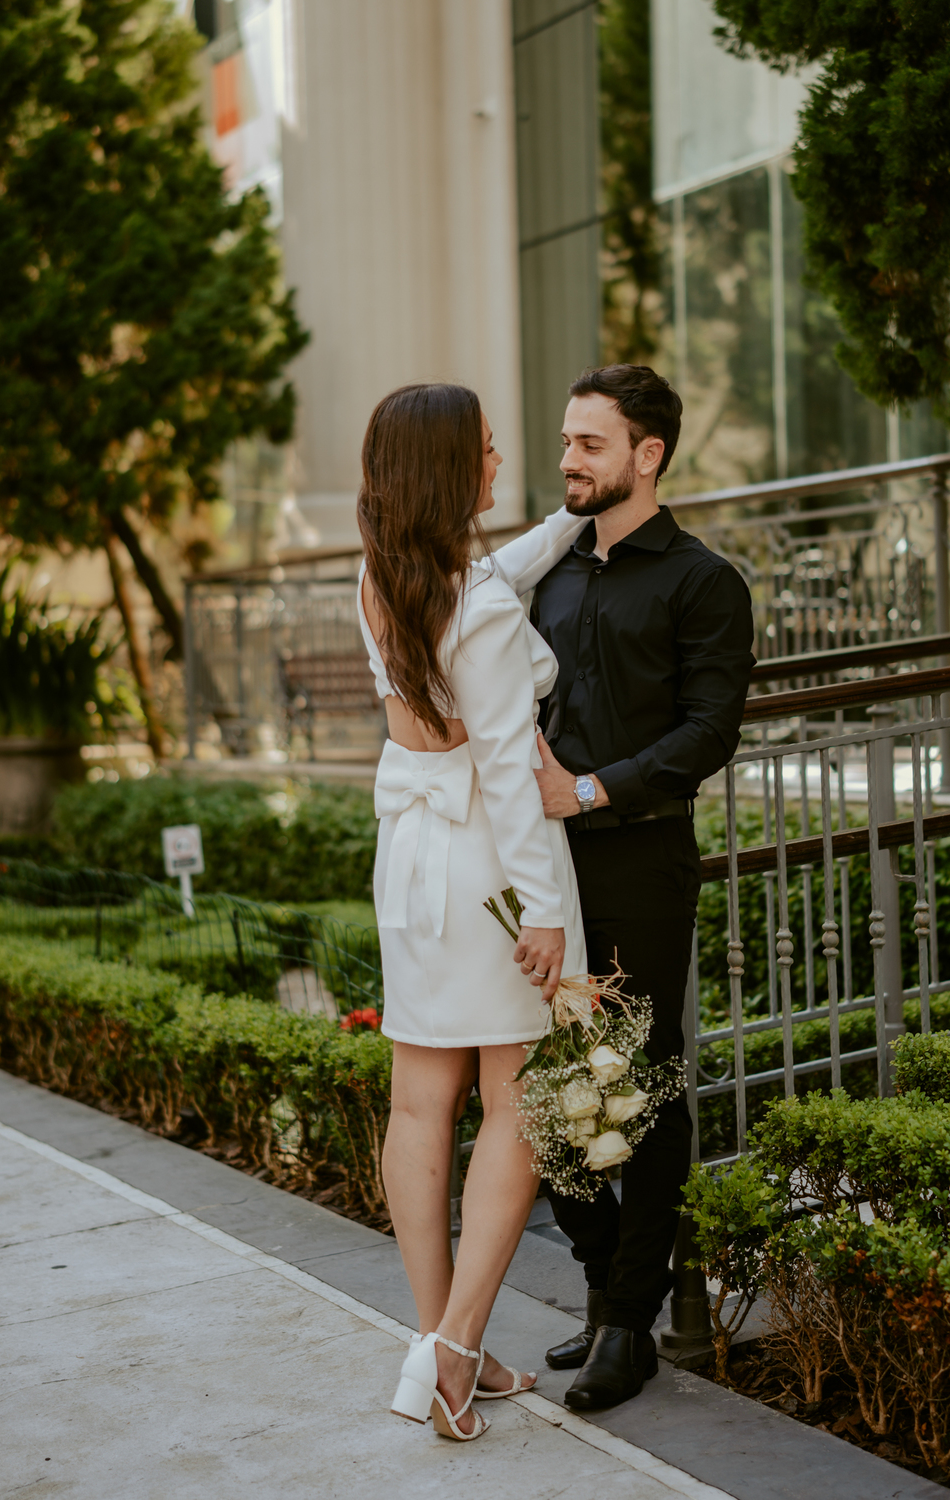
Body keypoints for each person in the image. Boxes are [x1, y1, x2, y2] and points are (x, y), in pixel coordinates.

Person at [356, 382, 588, 1442]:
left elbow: (507, 564)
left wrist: (575, 512)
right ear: (451, 471)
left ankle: (439, 1344)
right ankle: (452, 1355)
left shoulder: (385, 578)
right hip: (489, 873)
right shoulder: (483, 608)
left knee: (418, 1104)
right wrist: (543, 914)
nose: (501, 464)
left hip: (411, 866)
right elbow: (507, 771)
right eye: (487, 453)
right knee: (522, 1104)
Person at [530, 364, 755, 1411]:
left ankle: (629, 1323)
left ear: (646, 454)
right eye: (567, 441)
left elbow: (707, 733)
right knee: (544, 1097)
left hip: (641, 863)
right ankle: (606, 1281)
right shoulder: (551, 571)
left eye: (588, 443)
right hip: (540, 873)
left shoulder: (704, 582)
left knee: (647, 1089)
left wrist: (584, 789)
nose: (567, 459)